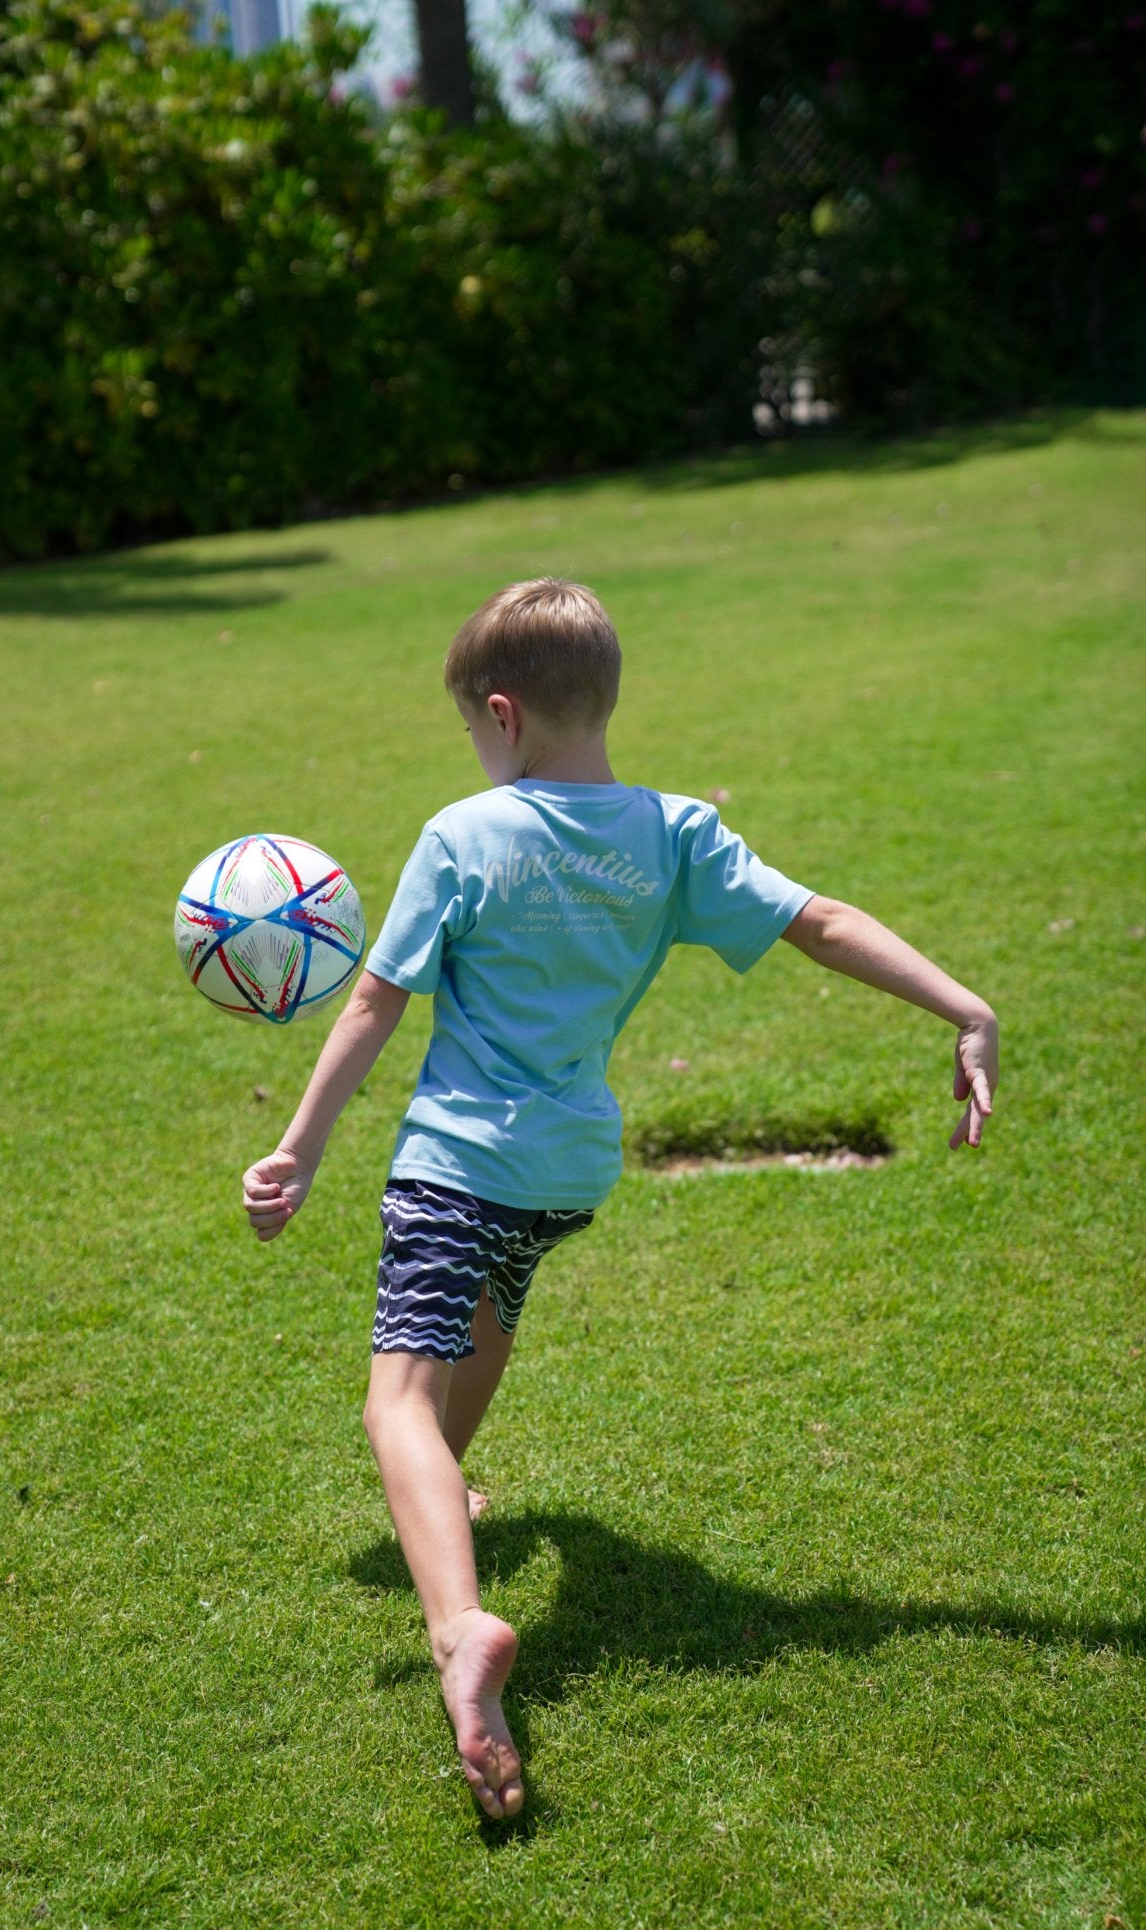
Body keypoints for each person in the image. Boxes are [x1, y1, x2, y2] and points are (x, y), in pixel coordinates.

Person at [241, 578, 999, 1822]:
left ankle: (458, 1629)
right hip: (570, 1167)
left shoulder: (462, 835)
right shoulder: (674, 831)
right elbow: (821, 921)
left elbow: (375, 1001)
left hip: (457, 1158)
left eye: (474, 733)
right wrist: (964, 1005)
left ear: (502, 714)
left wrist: (302, 1149)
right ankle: (457, 1498)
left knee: (396, 1404)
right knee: (485, 1318)